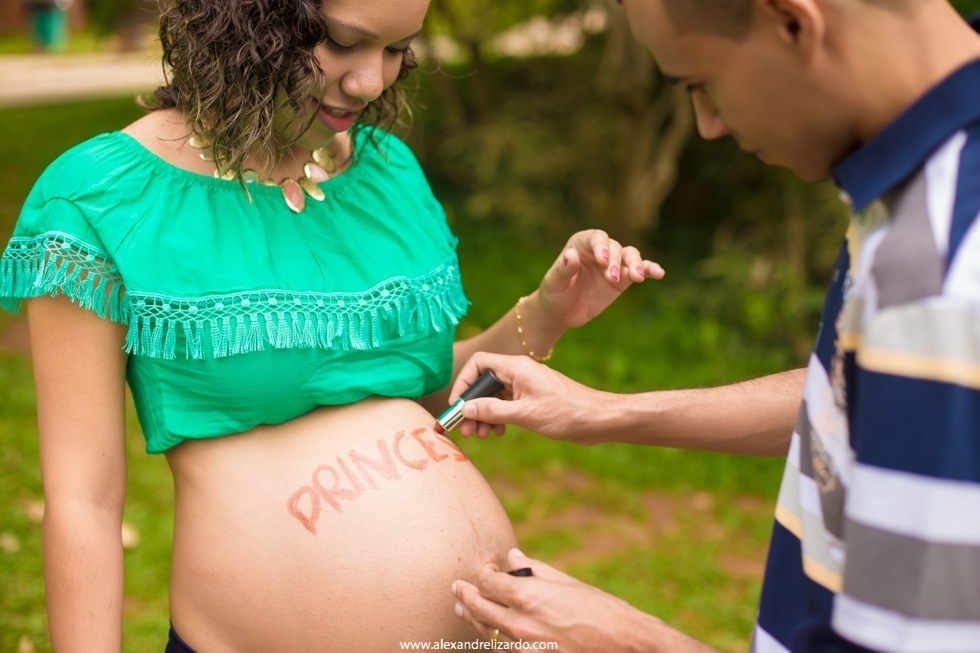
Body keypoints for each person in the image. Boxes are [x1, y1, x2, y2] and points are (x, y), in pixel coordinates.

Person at [0, 0, 665, 650]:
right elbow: (84, 499)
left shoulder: (386, 169)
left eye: (398, 49)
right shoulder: (101, 197)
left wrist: (549, 311)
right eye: (345, 42)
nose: (371, 80)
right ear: (251, 15)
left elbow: (429, 393)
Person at [449, 0, 980, 651]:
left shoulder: (949, 267)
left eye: (700, 82)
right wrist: (604, 412)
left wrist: (631, 639)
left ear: (792, 21)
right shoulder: (922, 180)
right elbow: (869, 394)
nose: (708, 126)